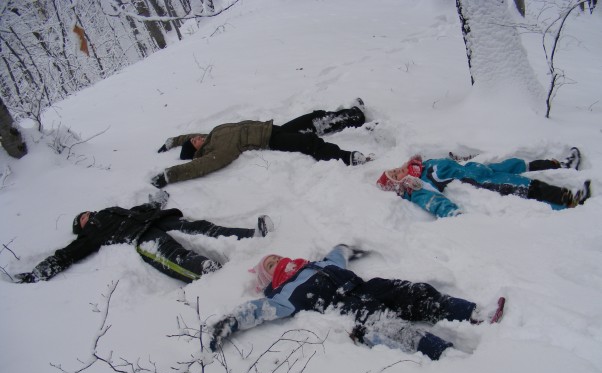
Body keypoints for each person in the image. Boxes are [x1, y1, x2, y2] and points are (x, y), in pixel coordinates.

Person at [208, 245, 506, 360]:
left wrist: (347, 246)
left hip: (368, 288)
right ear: (268, 280)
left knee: (416, 293)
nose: (275, 261)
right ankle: (446, 355)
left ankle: (473, 313)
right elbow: (257, 311)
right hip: (346, 309)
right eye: (269, 266)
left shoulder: (317, 263)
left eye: (274, 257)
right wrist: (230, 321)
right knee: (393, 329)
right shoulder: (282, 295)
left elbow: (339, 254)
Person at [14, 192, 274, 284]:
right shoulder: (91, 232)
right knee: (171, 255)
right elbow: (68, 253)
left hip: (157, 220)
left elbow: (139, 210)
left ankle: (251, 235)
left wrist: (157, 202)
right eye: (82, 217)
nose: (88, 214)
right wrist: (39, 273)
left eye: (87, 212)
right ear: (81, 226)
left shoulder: (109, 211)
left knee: (203, 228)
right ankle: (204, 270)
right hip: (139, 237)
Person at [151, 100, 374, 188]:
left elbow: (188, 136)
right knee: (308, 141)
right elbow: (195, 167)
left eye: (195, 138)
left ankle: (353, 116)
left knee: (311, 119)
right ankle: (347, 157)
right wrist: (169, 175)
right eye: (195, 142)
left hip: (270, 129)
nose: (197, 138)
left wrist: (173, 141)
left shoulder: (210, 137)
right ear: (198, 150)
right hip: (268, 140)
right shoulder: (216, 152)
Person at [376, 147, 591, 218]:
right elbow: (433, 201)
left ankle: (559, 166)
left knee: (515, 164)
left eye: (395, 169)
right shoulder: (418, 186)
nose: (398, 170)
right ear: (401, 184)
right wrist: (453, 214)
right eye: (396, 176)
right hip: (481, 181)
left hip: (476, 169)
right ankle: (569, 201)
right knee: (525, 187)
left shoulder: (423, 165)